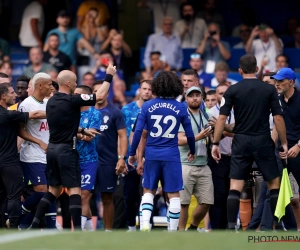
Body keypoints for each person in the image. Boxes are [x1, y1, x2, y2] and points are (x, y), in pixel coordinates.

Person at [29, 64, 117, 230]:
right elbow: (99, 97)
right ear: (68, 83)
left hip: (52, 149)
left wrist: (83, 130)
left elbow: (64, 124)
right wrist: (109, 76)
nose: (77, 85)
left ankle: (34, 223)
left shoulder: (51, 101)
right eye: (75, 82)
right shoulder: (72, 100)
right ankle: (76, 230)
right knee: (75, 190)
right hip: (67, 150)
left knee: (54, 190)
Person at [211, 54, 288, 231]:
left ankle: (231, 228)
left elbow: (222, 118)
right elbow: (278, 118)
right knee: (273, 184)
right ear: (256, 69)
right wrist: (283, 143)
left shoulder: (232, 90)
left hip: (241, 140)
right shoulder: (269, 90)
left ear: (239, 71)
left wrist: (215, 143)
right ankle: (276, 224)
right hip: (262, 140)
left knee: (235, 186)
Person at [128, 71, 196, 231]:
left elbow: (138, 132)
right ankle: (172, 231)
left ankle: (145, 225)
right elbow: (190, 134)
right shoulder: (180, 107)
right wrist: (192, 150)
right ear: (176, 86)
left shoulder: (147, 105)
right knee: (173, 194)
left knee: (148, 191)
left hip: (152, 154)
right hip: (171, 154)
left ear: (156, 86)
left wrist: (133, 154)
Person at [0, 82, 46, 228]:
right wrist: (59, 109)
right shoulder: (9, 115)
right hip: (9, 162)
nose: (15, 95)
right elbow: (35, 114)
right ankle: (14, 226)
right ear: (3, 96)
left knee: (1, 197)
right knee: (14, 196)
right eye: (12, 92)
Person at [18, 73, 57, 229]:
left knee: (52, 191)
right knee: (41, 191)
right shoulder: (26, 105)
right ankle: (21, 215)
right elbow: (20, 131)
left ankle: (43, 226)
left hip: (48, 155)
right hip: (32, 155)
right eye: (48, 84)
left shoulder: (49, 103)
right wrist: (40, 142)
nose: (51, 87)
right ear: (39, 85)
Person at [93, 80, 128, 232]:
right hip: (87, 160)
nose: (98, 94)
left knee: (107, 197)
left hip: (108, 161)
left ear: (107, 93)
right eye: (95, 91)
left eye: (101, 91)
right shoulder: (84, 111)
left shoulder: (115, 112)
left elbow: (123, 137)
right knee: (84, 196)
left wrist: (121, 158)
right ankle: (86, 229)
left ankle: (108, 232)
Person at [178, 86, 214, 231]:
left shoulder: (206, 116)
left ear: (202, 98)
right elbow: (179, 140)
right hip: (185, 164)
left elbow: (211, 138)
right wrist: (199, 137)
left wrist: (216, 130)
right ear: (186, 98)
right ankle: (180, 233)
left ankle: (193, 227)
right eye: (191, 95)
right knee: (183, 203)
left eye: (197, 95)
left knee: (207, 201)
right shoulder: (182, 116)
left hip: (203, 163)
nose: (194, 98)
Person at [121, 79, 152, 231]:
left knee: (150, 195)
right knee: (130, 196)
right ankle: (131, 227)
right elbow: (121, 136)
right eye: (144, 88)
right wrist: (122, 158)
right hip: (130, 160)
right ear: (139, 89)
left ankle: (147, 225)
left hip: (151, 159)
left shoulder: (155, 110)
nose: (146, 91)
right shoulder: (126, 110)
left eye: (150, 89)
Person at [272, 68, 300, 231]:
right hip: (280, 152)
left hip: (298, 151)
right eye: (276, 80)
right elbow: (277, 124)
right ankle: (288, 229)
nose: (276, 84)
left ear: (290, 82)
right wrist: (272, 145)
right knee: (275, 191)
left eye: (281, 81)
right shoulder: (277, 100)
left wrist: (298, 146)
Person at [73, 85, 102, 231]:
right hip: (71, 159)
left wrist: (72, 133)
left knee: (84, 196)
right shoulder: (70, 111)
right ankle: (91, 231)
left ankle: (78, 231)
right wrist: (79, 134)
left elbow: (89, 137)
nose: (74, 96)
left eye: (78, 94)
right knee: (79, 197)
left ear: (85, 97)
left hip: (89, 160)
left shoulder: (94, 114)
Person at [207, 83, 234, 229]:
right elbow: (212, 139)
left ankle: (230, 227)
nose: (222, 96)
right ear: (216, 95)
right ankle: (217, 229)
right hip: (218, 158)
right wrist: (227, 130)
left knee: (232, 194)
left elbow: (242, 134)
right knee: (218, 195)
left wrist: (220, 127)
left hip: (235, 158)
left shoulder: (240, 111)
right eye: (219, 93)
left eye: (225, 93)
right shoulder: (210, 113)